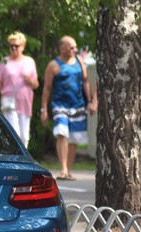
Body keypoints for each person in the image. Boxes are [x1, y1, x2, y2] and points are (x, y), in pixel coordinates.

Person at [41, 35, 97, 180]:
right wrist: (44, 110)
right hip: (60, 105)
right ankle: (64, 168)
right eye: (71, 47)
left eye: (75, 47)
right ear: (62, 48)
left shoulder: (79, 61)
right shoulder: (54, 65)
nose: (74, 49)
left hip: (77, 104)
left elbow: (85, 81)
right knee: (62, 133)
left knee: (74, 138)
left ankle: (69, 169)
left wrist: (90, 100)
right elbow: (47, 89)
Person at [0, 32, 39, 148]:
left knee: (24, 136)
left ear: (23, 46)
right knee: (14, 134)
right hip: (9, 101)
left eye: (16, 46)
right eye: (11, 46)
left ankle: (23, 162)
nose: (14, 48)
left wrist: (30, 81)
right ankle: (13, 161)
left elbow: (36, 84)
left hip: (25, 102)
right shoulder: (4, 62)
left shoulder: (29, 61)